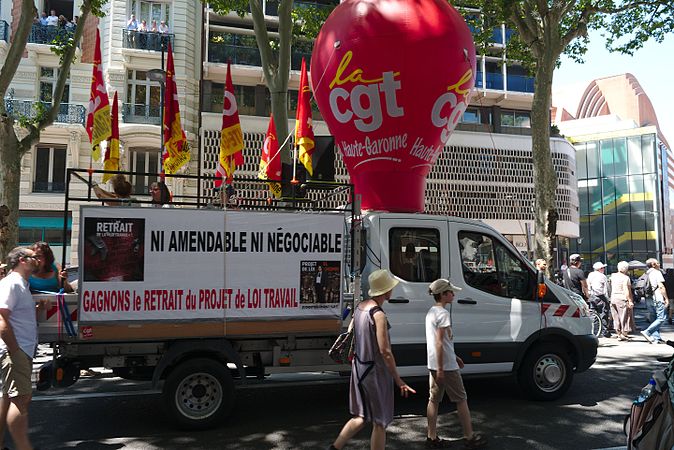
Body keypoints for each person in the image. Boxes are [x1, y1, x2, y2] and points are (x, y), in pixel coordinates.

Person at [329, 269, 416, 450]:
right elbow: (385, 351)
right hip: (374, 372)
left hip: (359, 368)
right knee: (379, 422)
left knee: (360, 417)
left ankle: (335, 447)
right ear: (386, 291)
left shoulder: (361, 307)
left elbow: (353, 334)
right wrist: (398, 380)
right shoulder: (379, 315)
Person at [425, 278, 487, 449]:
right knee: (461, 399)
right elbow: (439, 342)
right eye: (450, 292)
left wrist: (454, 356)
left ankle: (431, 437)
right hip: (445, 366)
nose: (453, 294)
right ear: (443, 295)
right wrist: (442, 368)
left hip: (435, 363)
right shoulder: (443, 314)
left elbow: (441, 343)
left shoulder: (431, 312)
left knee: (434, 400)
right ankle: (469, 436)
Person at [0, 247, 41, 450]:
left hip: (19, 349)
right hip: (15, 350)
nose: (38, 260)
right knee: (22, 398)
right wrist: (15, 350)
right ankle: (24, 447)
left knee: (8, 398)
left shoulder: (22, 284)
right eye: (34, 257)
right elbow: (1, 318)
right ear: (23, 260)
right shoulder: (12, 283)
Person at [641, 258, 670, 344]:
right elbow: (661, 286)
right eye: (657, 263)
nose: (659, 264)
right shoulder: (657, 273)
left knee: (654, 318)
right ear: (653, 264)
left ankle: (656, 338)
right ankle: (647, 332)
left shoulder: (647, 273)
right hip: (657, 297)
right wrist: (666, 299)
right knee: (661, 318)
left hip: (648, 298)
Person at [610, 261, 634, 341]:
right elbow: (627, 290)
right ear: (626, 269)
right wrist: (630, 300)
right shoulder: (625, 278)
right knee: (624, 317)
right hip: (622, 298)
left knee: (615, 316)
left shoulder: (612, 276)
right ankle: (624, 333)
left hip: (613, 297)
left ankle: (618, 334)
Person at [587, 261, 611, 338]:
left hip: (592, 296)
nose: (604, 269)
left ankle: (595, 330)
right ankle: (604, 331)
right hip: (601, 296)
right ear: (600, 269)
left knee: (593, 313)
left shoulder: (590, 275)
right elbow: (606, 289)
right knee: (603, 313)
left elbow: (588, 284)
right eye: (603, 268)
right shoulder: (602, 276)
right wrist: (608, 298)